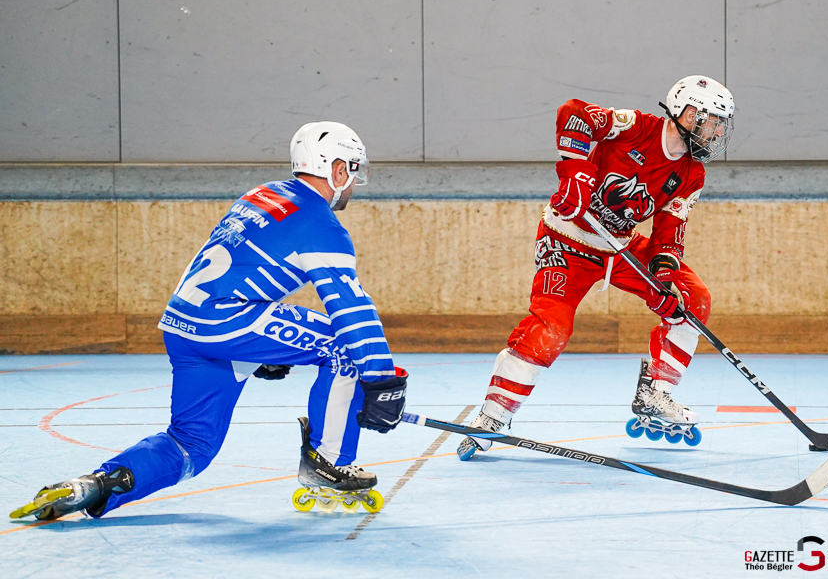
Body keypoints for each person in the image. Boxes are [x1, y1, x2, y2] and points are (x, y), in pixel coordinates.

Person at [10, 121, 407, 520]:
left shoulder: (262, 194)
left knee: (191, 446)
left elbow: (243, 264)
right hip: (225, 323)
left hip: (184, 324)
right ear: (337, 170)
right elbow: (352, 311)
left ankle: (96, 485)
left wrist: (261, 351)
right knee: (343, 346)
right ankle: (332, 463)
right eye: (353, 170)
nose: (354, 183)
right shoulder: (322, 224)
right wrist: (381, 379)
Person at [458, 76, 735, 459]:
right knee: (551, 327)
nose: (715, 131)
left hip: (619, 245)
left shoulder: (692, 175)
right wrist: (576, 173)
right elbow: (574, 114)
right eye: (708, 120)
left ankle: (657, 391)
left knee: (692, 298)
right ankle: (492, 416)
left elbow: (669, 235)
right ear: (683, 112)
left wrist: (665, 283)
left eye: (721, 124)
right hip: (567, 238)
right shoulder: (635, 127)